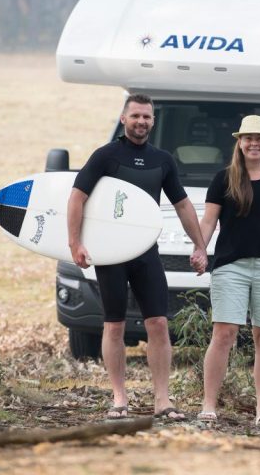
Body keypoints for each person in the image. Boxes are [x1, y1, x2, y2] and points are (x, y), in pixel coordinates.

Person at [68, 93, 207, 421]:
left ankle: (162, 400)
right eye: (135, 116)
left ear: (153, 121)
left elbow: (183, 205)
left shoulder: (162, 160)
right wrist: (75, 243)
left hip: (146, 253)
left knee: (158, 323)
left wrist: (199, 245)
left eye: (147, 117)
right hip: (111, 253)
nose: (141, 122)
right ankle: (119, 398)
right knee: (114, 325)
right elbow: (77, 197)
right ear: (123, 118)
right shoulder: (105, 156)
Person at [192, 114, 260, 427]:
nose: (255, 143)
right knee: (224, 334)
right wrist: (200, 249)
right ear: (239, 143)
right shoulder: (223, 179)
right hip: (231, 267)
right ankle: (209, 405)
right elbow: (209, 221)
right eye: (249, 138)